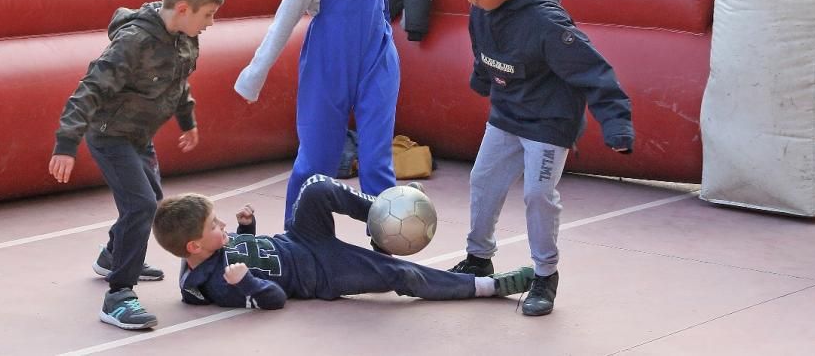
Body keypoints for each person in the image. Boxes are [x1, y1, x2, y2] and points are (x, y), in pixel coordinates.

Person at [446, 0, 635, 317]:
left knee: (537, 194)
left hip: (549, 122)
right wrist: (482, 79)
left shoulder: (545, 22)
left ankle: (545, 276)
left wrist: (616, 125)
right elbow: (482, 48)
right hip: (507, 113)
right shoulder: (482, 7)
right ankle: (479, 257)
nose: (470, 0)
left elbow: (593, 71)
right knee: (483, 179)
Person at [48, 0, 227, 330]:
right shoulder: (134, 42)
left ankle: (113, 254)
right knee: (142, 205)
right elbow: (90, 88)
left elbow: (179, 82)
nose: (212, 23)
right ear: (182, 8)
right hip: (109, 135)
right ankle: (118, 295)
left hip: (139, 136)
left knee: (149, 199)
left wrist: (187, 119)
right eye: (208, 14)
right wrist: (67, 143)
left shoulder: (185, 38)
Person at [235, 0, 400, 225]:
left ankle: (385, 246)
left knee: (377, 160)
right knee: (316, 160)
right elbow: (286, 17)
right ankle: (297, 239)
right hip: (328, 65)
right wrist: (255, 73)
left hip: (377, 61)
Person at [152, 175, 535, 309]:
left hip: (299, 238)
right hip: (321, 274)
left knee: (317, 188)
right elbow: (273, 298)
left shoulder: (210, 248)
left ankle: (387, 211)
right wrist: (245, 283)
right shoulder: (220, 284)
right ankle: (486, 286)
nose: (222, 226)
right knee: (399, 275)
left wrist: (247, 229)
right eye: (214, 225)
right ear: (194, 248)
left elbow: (250, 251)